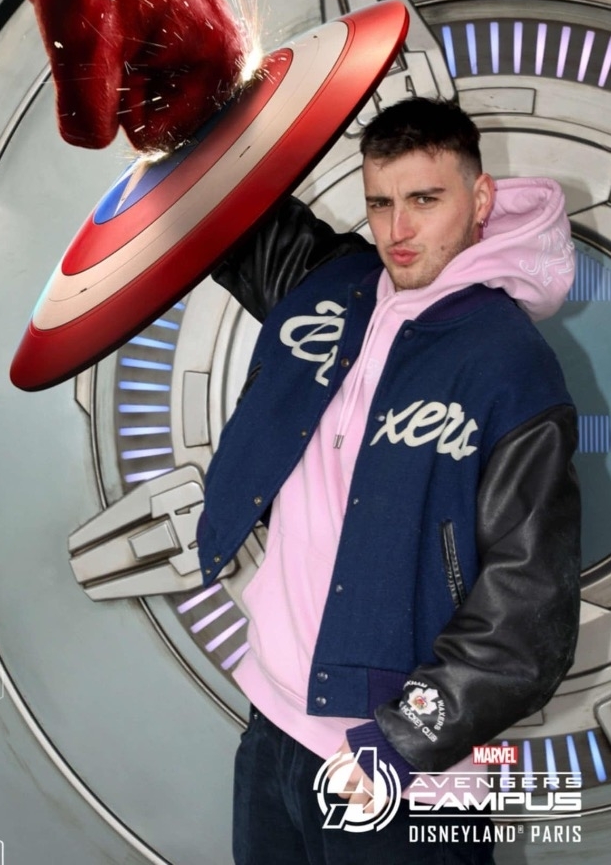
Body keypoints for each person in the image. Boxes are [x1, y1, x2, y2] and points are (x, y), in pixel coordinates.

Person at [196, 96, 581, 864]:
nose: (397, 229)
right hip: (274, 729)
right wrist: (183, 107)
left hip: (405, 780)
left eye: (424, 200)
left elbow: (527, 612)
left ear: (479, 198)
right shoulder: (331, 286)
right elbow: (226, 210)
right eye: (379, 203)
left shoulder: (509, 366)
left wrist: (400, 740)